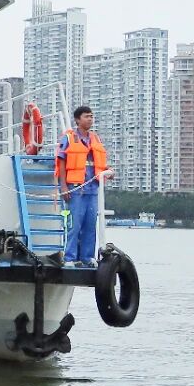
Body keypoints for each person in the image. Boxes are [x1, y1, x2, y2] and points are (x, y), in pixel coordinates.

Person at [55, 105, 114, 267]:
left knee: (90, 225)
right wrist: (64, 186)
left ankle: (87, 257)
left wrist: (108, 171)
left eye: (91, 116)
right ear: (77, 120)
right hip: (75, 189)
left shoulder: (95, 139)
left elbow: (98, 163)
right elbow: (61, 162)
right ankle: (69, 257)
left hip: (92, 189)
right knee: (74, 225)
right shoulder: (69, 138)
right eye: (87, 116)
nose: (90, 119)